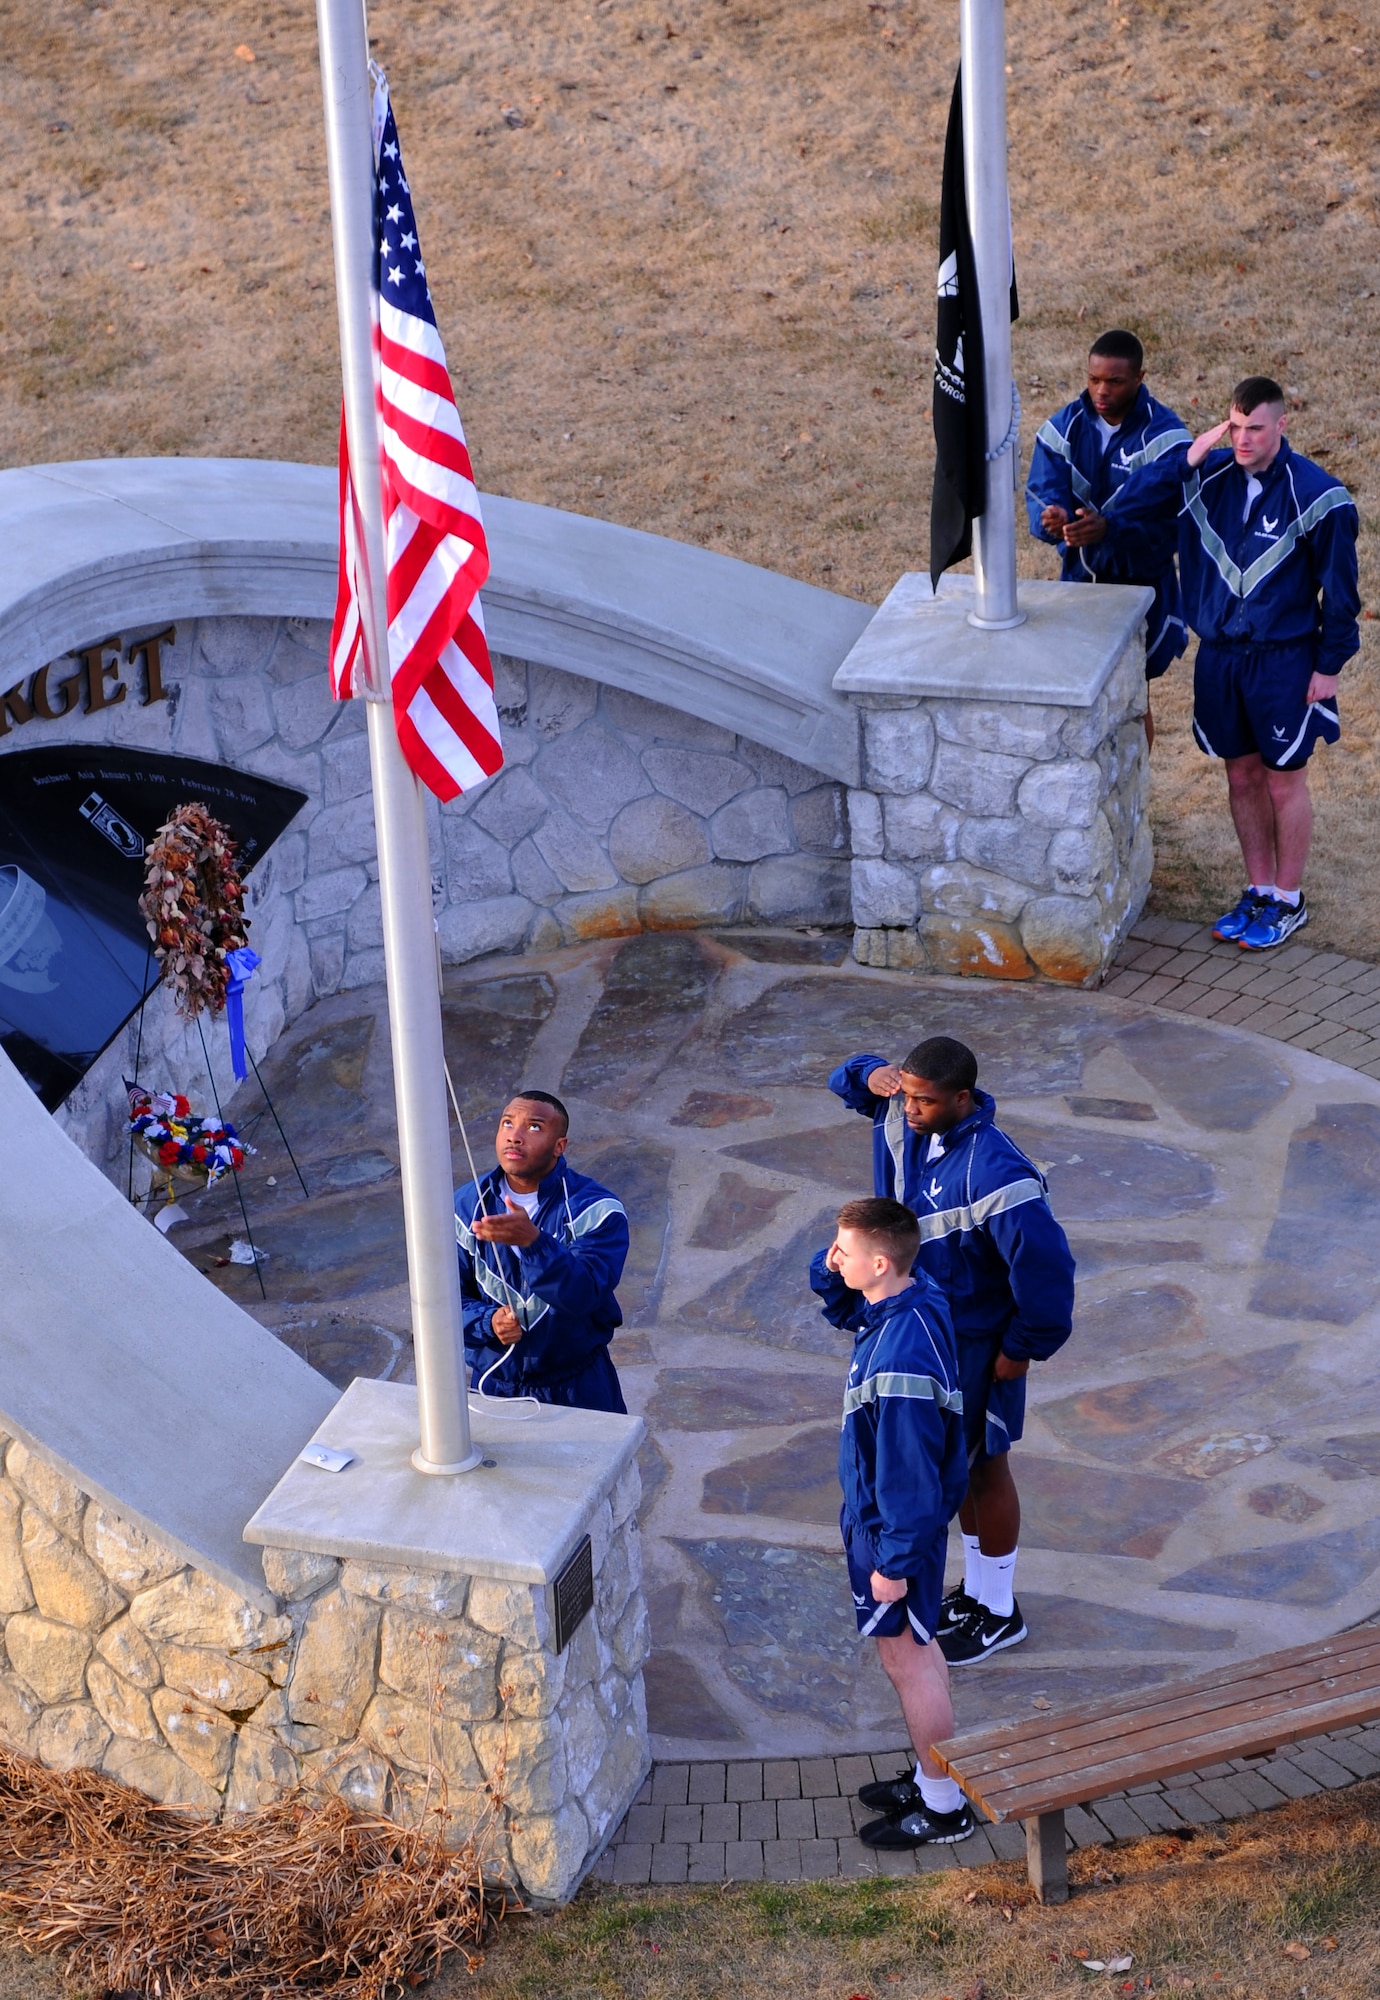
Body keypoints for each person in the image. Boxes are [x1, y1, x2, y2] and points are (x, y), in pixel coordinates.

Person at [828, 1036, 1075, 1664]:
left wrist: (1020, 1349)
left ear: (962, 1099)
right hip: (918, 1327)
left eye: (924, 1100)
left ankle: (996, 1611)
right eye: (905, 1095)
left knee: (983, 1467)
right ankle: (976, 1594)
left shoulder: (1001, 1174)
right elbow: (845, 1081)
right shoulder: (905, 1109)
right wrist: (872, 1073)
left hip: (974, 1346)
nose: (908, 1110)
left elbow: (1047, 1273)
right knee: (954, 1468)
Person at [1113, 374, 1360, 950]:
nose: (1244, 439)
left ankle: (1288, 900)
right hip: (1219, 658)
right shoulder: (1205, 478)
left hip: (1285, 660)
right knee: (1240, 775)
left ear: (1281, 424)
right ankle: (1258, 888)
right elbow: (1129, 507)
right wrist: (1186, 458)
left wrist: (1330, 665)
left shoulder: (1320, 496)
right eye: (1236, 426)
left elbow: (1342, 593)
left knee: (1283, 783)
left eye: (1255, 428)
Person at [810, 1196, 975, 1849]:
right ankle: (932, 1773)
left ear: (880, 1261)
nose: (833, 1258)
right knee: (919, 1652)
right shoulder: (908, 1297)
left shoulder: (901, 1356)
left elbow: (908, 1473)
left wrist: (893, 1564)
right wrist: (836, 1265)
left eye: (842, 1250)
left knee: (908, 1660)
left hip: (891, 1534)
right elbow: (841, 1301)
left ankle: (943, 1807)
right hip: (892, 1526)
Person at [1026, 328, 1192, 742]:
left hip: (1140, 590)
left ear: (1139, 378)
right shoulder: (1061, 429)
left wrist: (1111, 530)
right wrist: (1051, 520)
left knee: (1134, 699)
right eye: (1094, 379)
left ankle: (1135, 797)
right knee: (1082, 696)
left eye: (1114, 381)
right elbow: (1043, 494)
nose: (1101, 390)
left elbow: (1172, 526)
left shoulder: (1167, 439)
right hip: (1079, 587)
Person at [454, 1089, 629, 1413]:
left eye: (534, 1127)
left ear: (559, 1146)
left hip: (579, 1387)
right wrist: (487, 1321)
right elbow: (440, 1298)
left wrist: (534, 1244)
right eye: (507, 1123)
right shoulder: (465, 1207)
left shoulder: (597, 1209)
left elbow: (584, 1294)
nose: (515, 1137)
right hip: (494, 1385)